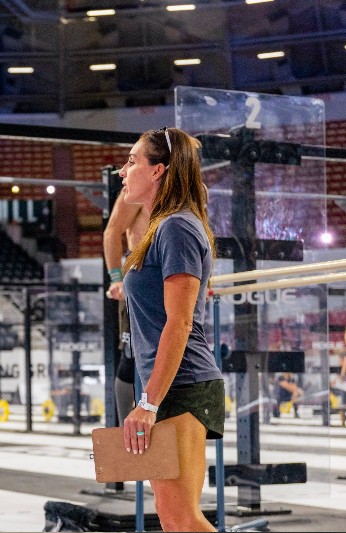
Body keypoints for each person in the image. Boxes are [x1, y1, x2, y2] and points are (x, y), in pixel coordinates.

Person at [119, 127, 224, 532]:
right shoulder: (163, 227)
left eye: (132, 162)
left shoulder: (177, 227)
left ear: (158, 170)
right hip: (171, 386)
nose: (123, 171)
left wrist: (148, 403)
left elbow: (180, 323)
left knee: (181, 519)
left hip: (182, 385)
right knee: (173, 518)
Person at [104, 183, 149, 425]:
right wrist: (116, 279)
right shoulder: (140, 188)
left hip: (173, 272)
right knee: (131, 357)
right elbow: (112, 231)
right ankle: (124, 429)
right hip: (140, 272)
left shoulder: (194, 188)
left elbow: (201, 234)